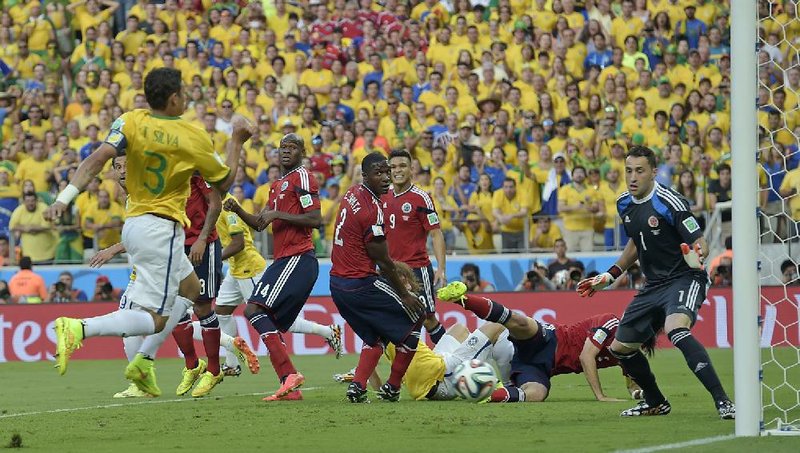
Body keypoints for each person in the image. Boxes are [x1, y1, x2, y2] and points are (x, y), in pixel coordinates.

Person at [45, 67, 250, 397]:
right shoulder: (191, 135)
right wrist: (237, 141)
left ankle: (154, 365)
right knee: (155, 319)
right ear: (173, 99)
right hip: (162, 230)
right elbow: (224, 184)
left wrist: (63, 199)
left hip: (135, 224)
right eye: (182, 93)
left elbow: (97, 159)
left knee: (194, 294)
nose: (185, 98)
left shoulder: (130, 121)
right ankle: (79, 328)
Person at [575, 145, 735, 419]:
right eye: (628, 171)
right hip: (653, 285)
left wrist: (699, 254)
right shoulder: (624, 203)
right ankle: (656, 402)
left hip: (684, 277)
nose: (632, 177)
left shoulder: (669, 202)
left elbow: (700, 242)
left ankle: (724, 402)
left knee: (676, 330)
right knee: (620, 349)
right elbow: (637, 243)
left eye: (639, 171)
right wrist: (610, 275)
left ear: (653, 173)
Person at [223, 133, 323, 402]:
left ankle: (289, 375)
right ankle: (290, 386)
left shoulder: (303, 177)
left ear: (302, 152)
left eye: (292, 147)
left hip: (298, 257)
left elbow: (315, 219)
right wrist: (237, 210)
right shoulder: (277, 185)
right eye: (282, 148)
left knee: (254, 309)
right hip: (284, 260)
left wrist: (278, 214)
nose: (286, 151)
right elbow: (259, 223)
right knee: (266, 319)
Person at [437, 281, 639, 403]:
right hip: (550, 340)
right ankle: (463, 299)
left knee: (537, 394)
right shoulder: (612, 323)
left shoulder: (629, 350)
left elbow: (633, 383)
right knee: (520, 322)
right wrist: (600, 396)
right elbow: (587, 357)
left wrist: (638, 392)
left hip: (540, 367)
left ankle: (490, 393)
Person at [329, 152, 425, 403]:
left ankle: (358, 387)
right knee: (419, 313)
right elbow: (382, 260)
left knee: (375, 336)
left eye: (387, 172)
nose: (386, 178)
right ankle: (393, 386)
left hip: (337, 285)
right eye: (378, 173)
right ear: (366, 176)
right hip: (359, 284)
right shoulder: (372, 211)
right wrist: (404, 294)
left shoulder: (352, 193)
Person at [215, 191, 342, 376]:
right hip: (235, 270)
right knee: (221, 312)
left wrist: (214, 260)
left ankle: (328, 332)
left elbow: (238, 244)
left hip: (249, 269)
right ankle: (232, 364)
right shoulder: (216, 205)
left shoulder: (227, 207)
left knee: (273, 318)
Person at [383, 150, 447, 343]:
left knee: (428, 319)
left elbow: (436, 234)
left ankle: (453, 360)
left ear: (411, 169)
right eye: (393, 167)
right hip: (388, 270)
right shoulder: (382, 195)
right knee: (385, 321)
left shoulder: (421, 198)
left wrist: (441, 269)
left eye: (402, 166)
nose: (397, 171)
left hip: (415, 270)